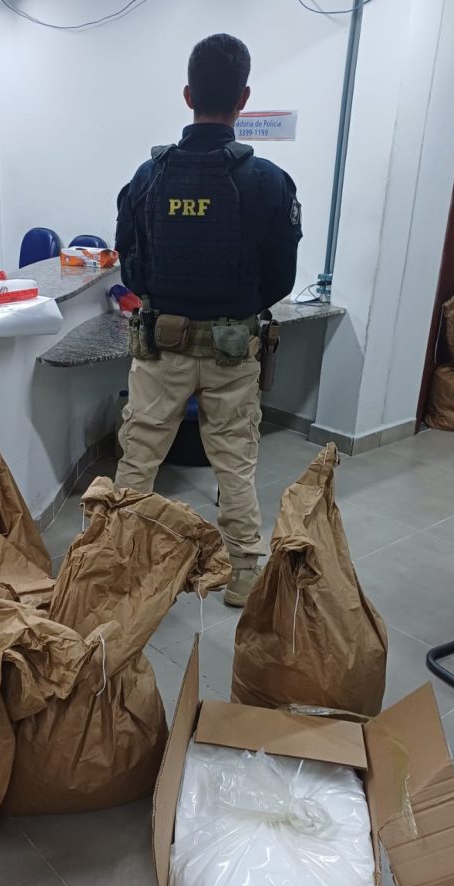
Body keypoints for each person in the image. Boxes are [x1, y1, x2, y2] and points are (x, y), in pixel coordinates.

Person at [113, 33, 302, 607]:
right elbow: (281, 279)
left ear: (188, 95)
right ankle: (243, 574)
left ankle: (116, 568)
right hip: (233, 350)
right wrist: (236, 306)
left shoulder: (146, 178)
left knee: (139, 458)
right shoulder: (269, 181)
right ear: (243, 99)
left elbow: (131, 267)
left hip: (160, 348)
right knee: (235, 464)